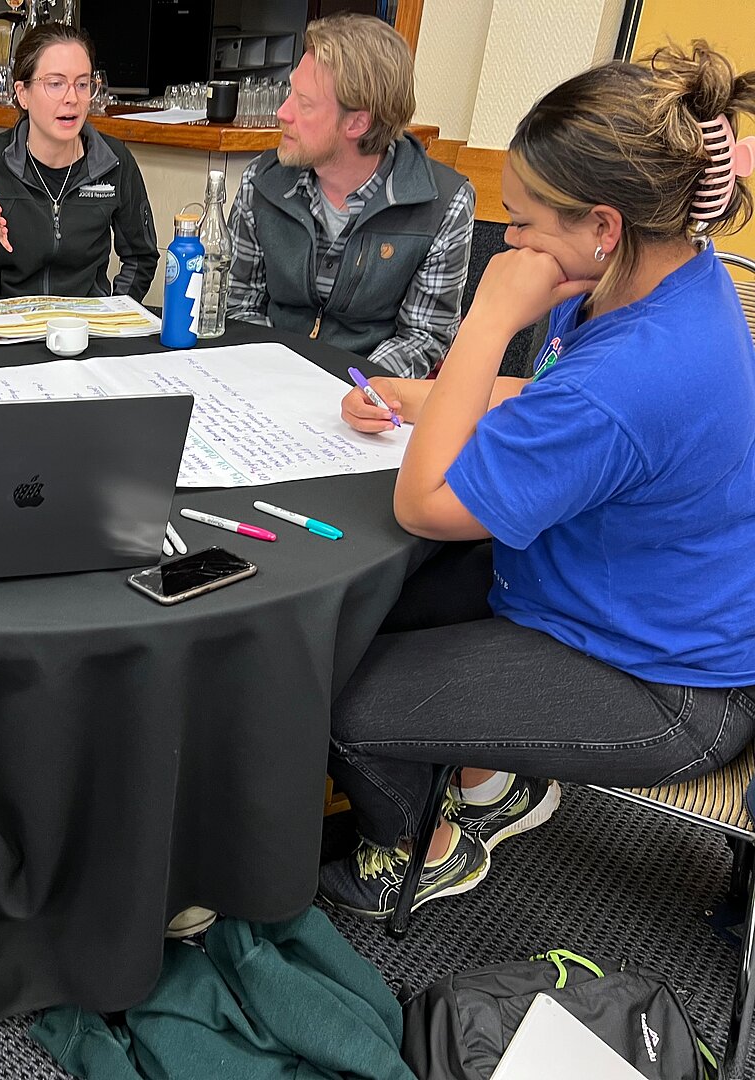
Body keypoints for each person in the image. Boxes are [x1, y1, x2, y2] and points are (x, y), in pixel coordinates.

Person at [318, 42, 755, 919]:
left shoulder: (636, 371)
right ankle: (494, 782)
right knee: (358, 616)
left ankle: (423, 849)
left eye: (521, 224)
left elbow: (425, 504)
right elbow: (556, 397)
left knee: (340, 699)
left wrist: (486, 319)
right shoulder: (650, 278)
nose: (510, 243)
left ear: (603, 225)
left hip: (667, 686)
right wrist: (423, 397)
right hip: (597, 591)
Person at [227, 13, 474, 378]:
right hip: (267, 377)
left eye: (304, 103)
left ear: (358, 122)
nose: (282, 112)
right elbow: (238, 303)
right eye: (290, 92)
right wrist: (274, 375)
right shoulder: (262, 181)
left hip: (363, 388)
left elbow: (422, 336)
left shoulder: (444, 204)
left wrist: (352, 388)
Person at [0, 23, 159, 299]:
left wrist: (113, 311)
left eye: (82, 84)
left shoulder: (115, 162)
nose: (72, 98)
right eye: (55, 84)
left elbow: (141, 258)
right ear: (23, 93)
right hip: (8, 320)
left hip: (84, 322)